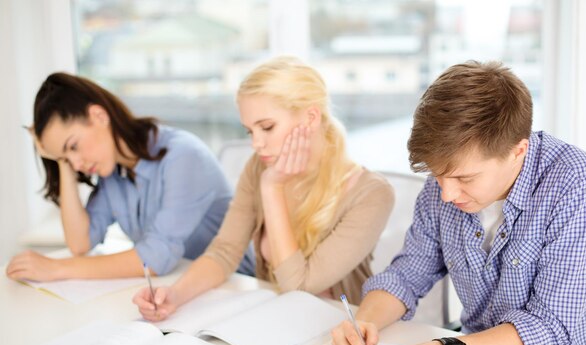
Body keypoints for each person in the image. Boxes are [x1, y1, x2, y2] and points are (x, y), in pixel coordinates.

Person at [330, 61, 586, 345]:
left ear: (518, 151)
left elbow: (548, 327)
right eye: (438, 175)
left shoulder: (580, 186)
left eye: (465, 178)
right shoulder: (445, 185)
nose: (447, 194)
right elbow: (408, 274)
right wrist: (366, 320)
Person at [133, 56, 394, 321]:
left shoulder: (371, 194)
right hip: (279, 321)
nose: (256, 144)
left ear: (311, 117)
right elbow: (224, 251)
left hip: (341, 330)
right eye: (249, 131)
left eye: (267, 127)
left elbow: (299, 286)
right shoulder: (259, 167)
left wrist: (272, 188)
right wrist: (175, 296)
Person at [6, 72, 254, 281]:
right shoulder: (113, 175)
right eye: (66, 157)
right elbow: (80, 243)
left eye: (73, 146)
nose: (76, 164)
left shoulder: (183, 156)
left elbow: (156, 258)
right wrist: (60, 159)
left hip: (240, 288)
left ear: (99, 116)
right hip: (181, 290)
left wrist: (57, 268)